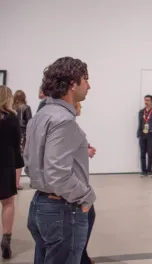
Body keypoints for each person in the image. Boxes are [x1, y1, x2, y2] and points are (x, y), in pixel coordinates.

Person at [24, 57, 95, 263]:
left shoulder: (40, 115)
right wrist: (86, 195)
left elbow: (29, 162)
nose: (89, 85)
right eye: (85, 79)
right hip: (62, 210)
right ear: (73, 84)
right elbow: (58, 173)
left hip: (39, 205)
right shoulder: (63, 121)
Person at [0, 85, 24, 259]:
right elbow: (17, 145)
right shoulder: (12, 119)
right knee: (8, 203)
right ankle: (6, 238)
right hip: (6, 163)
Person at [75, 102, 96, 264]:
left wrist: (84, 149)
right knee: (86, 216)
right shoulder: (65, 124)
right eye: (79, 106)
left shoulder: (70, 125)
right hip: (74, 185)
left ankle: (81, 255)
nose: (81, 108)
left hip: (78, 183)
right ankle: (80, 257)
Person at [137, 95, 152, 177]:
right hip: (142, 134)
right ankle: (143, 171)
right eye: (145, 100)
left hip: (151, 134)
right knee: (142, 153)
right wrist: (139, 133)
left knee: (150, 153)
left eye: (148, 100)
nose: (146, 102)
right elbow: (140, 124)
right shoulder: (141, 112)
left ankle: (149, 171)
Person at [12, 90, 32, 190]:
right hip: (22, 135)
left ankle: (10, 183)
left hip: (12, 134)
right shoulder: (26, 108)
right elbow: (30, 123)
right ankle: (16, 183)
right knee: (19, 159)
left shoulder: (11, 108)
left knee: (11, 158)